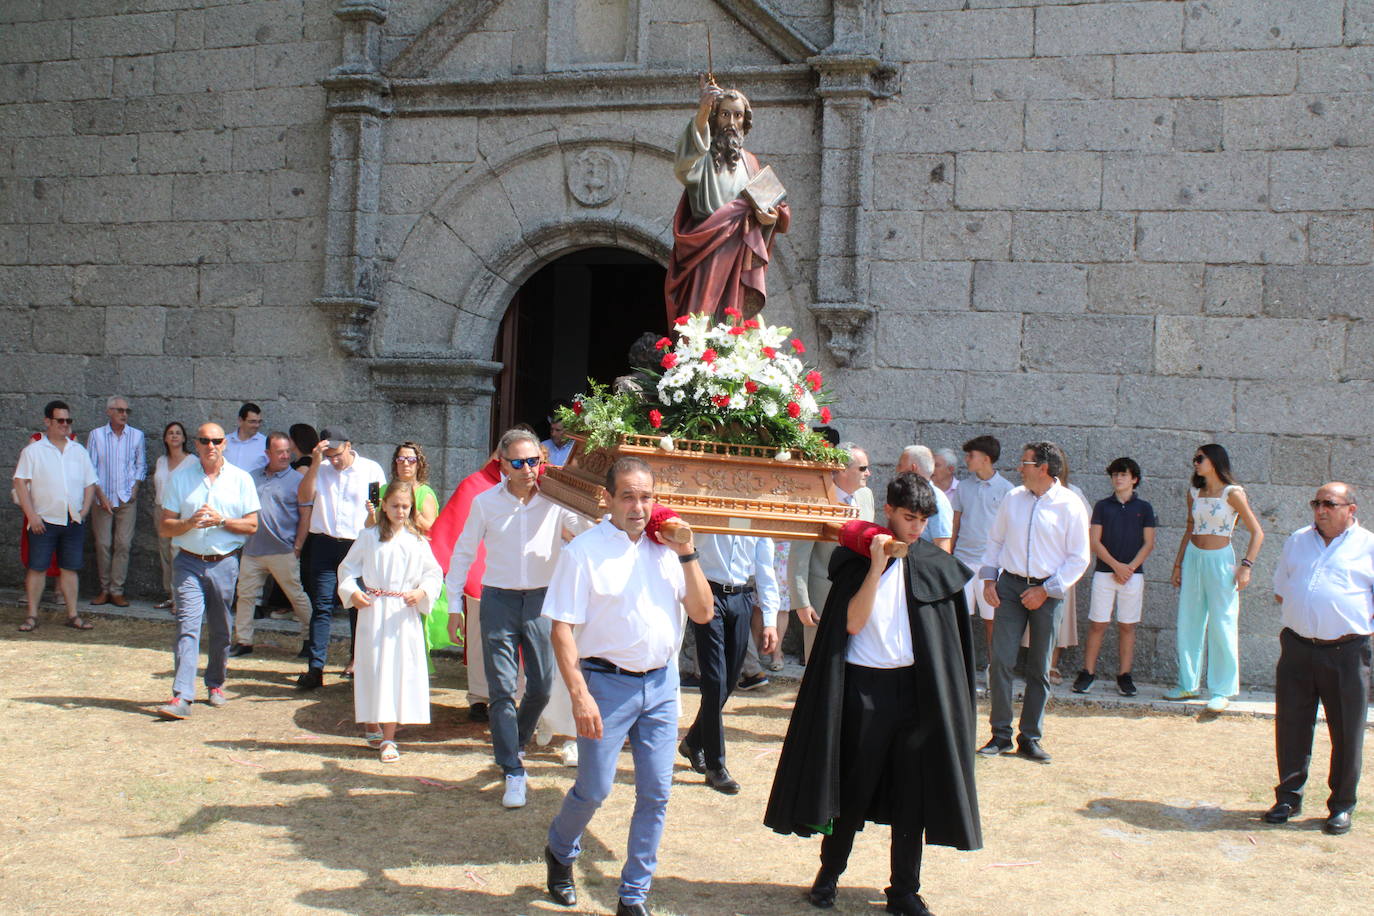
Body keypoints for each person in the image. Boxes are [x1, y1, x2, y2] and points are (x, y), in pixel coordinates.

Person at [765, 473, 981, 916]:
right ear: (888, 511)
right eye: (908, 518)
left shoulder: (938, 569)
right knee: (853, 788)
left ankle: (904, 890)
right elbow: (852, 624)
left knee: (912, 796)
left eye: (923, 520)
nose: (916, 528)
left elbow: (948, 650)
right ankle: (829, 874)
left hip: (915, 694)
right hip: (864, 689)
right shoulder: (856, 562)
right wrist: (879, 564)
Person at [542, 457, 712, 916]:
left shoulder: (668, 549)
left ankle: (633, 896)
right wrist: (579, 693)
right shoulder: (584, 552)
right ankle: (560, 849)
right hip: (604, 685)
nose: (638, 506)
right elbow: (561, 629)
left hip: (659, 686)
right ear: (608, 499)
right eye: (629, 496)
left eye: (646, 497)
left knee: (656, 793)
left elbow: (702, 612)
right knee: (594, 789)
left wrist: (688, 552)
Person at [448, 428, 584, 808]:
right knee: (502, 689)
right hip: (498, 600)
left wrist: (598, 509)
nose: (528, 470)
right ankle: (512, 768)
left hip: (543, 600)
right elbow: (462, 553)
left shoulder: (555, 500)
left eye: (534, 461)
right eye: (519, 463)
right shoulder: (484, 502)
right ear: (502, 464)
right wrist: (453, 605)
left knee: (541, 685)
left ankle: (516, 740)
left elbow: (586, 531)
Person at [1264, 483, 1372, 836]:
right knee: (1292, 725)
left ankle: (1341, 805)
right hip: (1297, 648)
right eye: (1316, 503)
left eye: (1330, 504)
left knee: (1346, 731)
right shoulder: (1297, 540)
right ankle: (1288, 798)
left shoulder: (1368, 546)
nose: (1320, 510)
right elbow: (1283, 588)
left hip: (1347, 652)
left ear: (1351, 509)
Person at [977, 442, 1090, 763]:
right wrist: (988, 578)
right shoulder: (1013, 498)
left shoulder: (1070, 504)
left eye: (1024, 463)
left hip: (1048, 592)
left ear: (1042, 468)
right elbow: (995, 540)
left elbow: (1079, 558)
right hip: (1010, 587)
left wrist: (1047, 589)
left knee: (1040, 666)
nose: (1019, 468)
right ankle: (999, 734)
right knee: (1001, 660)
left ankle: (1030, 738)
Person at [664, 76, 791, 324]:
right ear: (715, 117)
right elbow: (683, 165)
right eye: (724, 115)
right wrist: (702, 111)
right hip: (706, 249)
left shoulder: (750, 161)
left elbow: (771, 203)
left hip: (739, 249)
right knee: (701, 315)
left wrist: (769, 218)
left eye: (738, 116)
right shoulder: (702, 156)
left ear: (745, 121)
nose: (731, 122)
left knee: (731, 318)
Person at [156, 423, 260, 719]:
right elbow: (165, 526)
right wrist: (188, 523)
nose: (210, 446)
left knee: (220, 628)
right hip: (188, 561)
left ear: (225, 443)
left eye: (216, 441)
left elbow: (252, 525)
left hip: (224, 562)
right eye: (204, 441)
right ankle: (182, 696)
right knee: (187, 627)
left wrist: (221, 521)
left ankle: (215, 683)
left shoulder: (240, 479)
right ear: (197, 444)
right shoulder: (181, 478)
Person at [338, 481, 444, 763]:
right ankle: (371, 721)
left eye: (405, 507)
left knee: (397, 670)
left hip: (402, 614)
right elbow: (347, 569)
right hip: (374, 610)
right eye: (395, 505)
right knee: (373, 667)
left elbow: (434, 574)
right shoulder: (369, 536)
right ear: (384, 505)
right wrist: (353, 592)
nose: (400, 511)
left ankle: (389, 737)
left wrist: (421, 591)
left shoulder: (418, 541)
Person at [1165, 443, 1265, 712]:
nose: (1195, 463)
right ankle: (1188, 682)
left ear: (1215, 461)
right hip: (1193, 558)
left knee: (1222, 621)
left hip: (1221, 559)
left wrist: (1246, 566)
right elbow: (1189, 527)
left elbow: (1257, 532)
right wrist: (1177, 565)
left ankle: (1222, 689)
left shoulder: (1233, 493)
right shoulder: (1194, 492)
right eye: (1195, 458)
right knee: (1189, 620)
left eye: (1200, 458)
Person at [679, 533, 780, 794]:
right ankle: (716, 766)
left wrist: (769, 620)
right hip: (707, 594)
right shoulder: (712, 509)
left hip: (742, 598)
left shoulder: (757, 520)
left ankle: (692, 741)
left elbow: (765, 569)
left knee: (728, 683)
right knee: (714, 682)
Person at [296, 430, 387, 690]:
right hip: (324, 542)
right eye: (329, 456)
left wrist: (373, 518)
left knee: (357, 605)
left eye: (336, 455)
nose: (333, 460)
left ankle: (357, 660)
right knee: (322, 605)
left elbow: (376, 507)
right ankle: (315, 668)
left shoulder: (370, 470)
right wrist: (315, 463)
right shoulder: (320, 469)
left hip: (356, 544)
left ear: (348, 446)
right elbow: (304, 497)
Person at [431, 449, 504, 722]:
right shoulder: (475, 484)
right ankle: (479, 697)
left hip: (519, 579)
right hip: (481, 576)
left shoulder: (537, 488)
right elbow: (455, 530)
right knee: (478, 639)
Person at [13, 400, 98, 632]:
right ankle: (32, 616)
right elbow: (20, 482)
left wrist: (84, 510)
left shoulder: (78, 451)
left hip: (72, 520)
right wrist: (31, 515)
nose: (65, 425)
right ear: (47, 422)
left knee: (70, 569)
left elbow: (90, 482)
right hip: (44, 520)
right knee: (37, 567)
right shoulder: (33, 451)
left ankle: (72, 615)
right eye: (60, 420)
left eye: (68, 420)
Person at [1074, 457, 1156, 697]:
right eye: (1115, 475)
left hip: (1133, 576)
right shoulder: (1102, 506)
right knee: (1097, 624)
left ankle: (1125, 675)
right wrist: (1115, 566)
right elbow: (1094, 541)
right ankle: (1087, 672)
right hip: (1104, 574)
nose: (1118, 478)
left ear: (1134, 479)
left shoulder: (1145, 508)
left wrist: (1128, 568)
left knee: (1128, 626)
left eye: (1124, 474)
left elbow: (1149, 543)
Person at [229, 432, 313, 657]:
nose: (285, 456)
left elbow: (306, 515)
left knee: (296, 596)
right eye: (280, 452)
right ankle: (243, 641)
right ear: (267, 453)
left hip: (283, 550)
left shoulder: (298, 480)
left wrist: (297, 546)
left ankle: (310, 638)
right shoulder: (251, 477)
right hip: (253, 549)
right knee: (245, 597)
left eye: (288, 451)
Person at [789, 444, 873, 663]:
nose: (868, 473)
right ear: (843, 470)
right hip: (822, 595)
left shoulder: (866, 496)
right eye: (863, 468)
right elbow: (799, 555)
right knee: (820, 662)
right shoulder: (815, 499)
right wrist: (801, 602)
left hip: (859, 593)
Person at [950, 435, 1014, 663]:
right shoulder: (963, 487)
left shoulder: (1008, 490)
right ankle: (958, 669)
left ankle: (993, 670)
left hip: (991, 567)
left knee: (992, 620)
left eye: (971, 455)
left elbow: (1010, 531)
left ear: (986, 459)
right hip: (962, 562)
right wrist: (949, 557)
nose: (967, 459)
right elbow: (955, 524)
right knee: (958, 619)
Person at [86, 395, 146, 607]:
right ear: (109, 412)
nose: (124, 414)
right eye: (119, 410)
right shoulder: (96, 435)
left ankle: (117, 590)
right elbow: (90, 468)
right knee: (103, 544)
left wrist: (135, 488)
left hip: (126, 498)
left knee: (123, 544)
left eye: (126, 411)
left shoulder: (137, 436)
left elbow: (141, 464)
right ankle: (104, 590)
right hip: (102, 498)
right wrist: (100, 496)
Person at [153, 422, 196, 610]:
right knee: (164, 554)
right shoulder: (161, 461)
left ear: (184, 438)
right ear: (165, 438)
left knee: (177, 553)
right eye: (170, 433)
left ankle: (181, 599)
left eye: (178, 433)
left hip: (181, 513)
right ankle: (170, 595)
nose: (174, 436)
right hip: (161, 509)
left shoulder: (192, 461)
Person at [896, 445, 954, 553]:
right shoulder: (904, 493)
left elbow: (943, 547)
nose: (897, 469)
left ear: (912, 468)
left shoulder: (937, 500)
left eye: (900, 465)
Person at [223, 402, 267, 472]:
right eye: (252, 421)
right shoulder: (224, 442)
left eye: (259, 422)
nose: (257, 425)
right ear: (240, 420)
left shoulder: (266, 443)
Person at [542, 402, 575, 467]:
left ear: (568, 430)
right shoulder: (542, 446)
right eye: (552, 429)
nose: (553, 434)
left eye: (558, 430)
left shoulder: (575, 450)